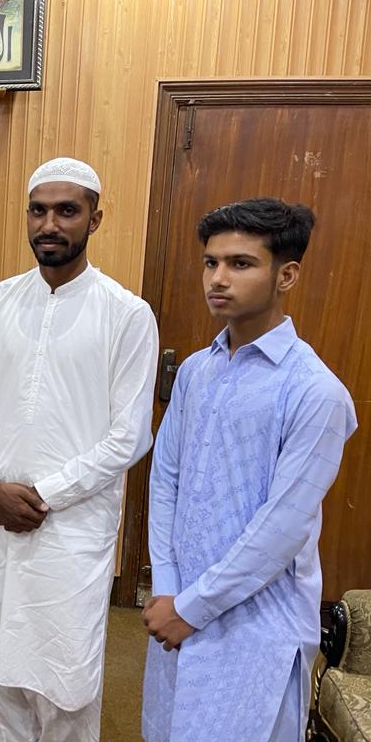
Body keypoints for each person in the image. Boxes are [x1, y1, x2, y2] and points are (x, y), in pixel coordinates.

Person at [0, 157, 159, 741]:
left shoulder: (126, 314)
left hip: (68, 530)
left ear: (95, 218)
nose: (50, 224)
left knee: (64, 683)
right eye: (38, 210)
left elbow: (129, 435)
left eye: (67, 211)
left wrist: (44, 495)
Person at [141, 199, 357, 742]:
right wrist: (167, 587)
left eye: (240, 264)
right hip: (175, 609)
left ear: (287, 275)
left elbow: (282, 529)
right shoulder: (196, 370)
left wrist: (192, 607)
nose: (218, 278)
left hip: (257, 624)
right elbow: (165, 478)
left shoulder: (315, 391)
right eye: (211, 262)